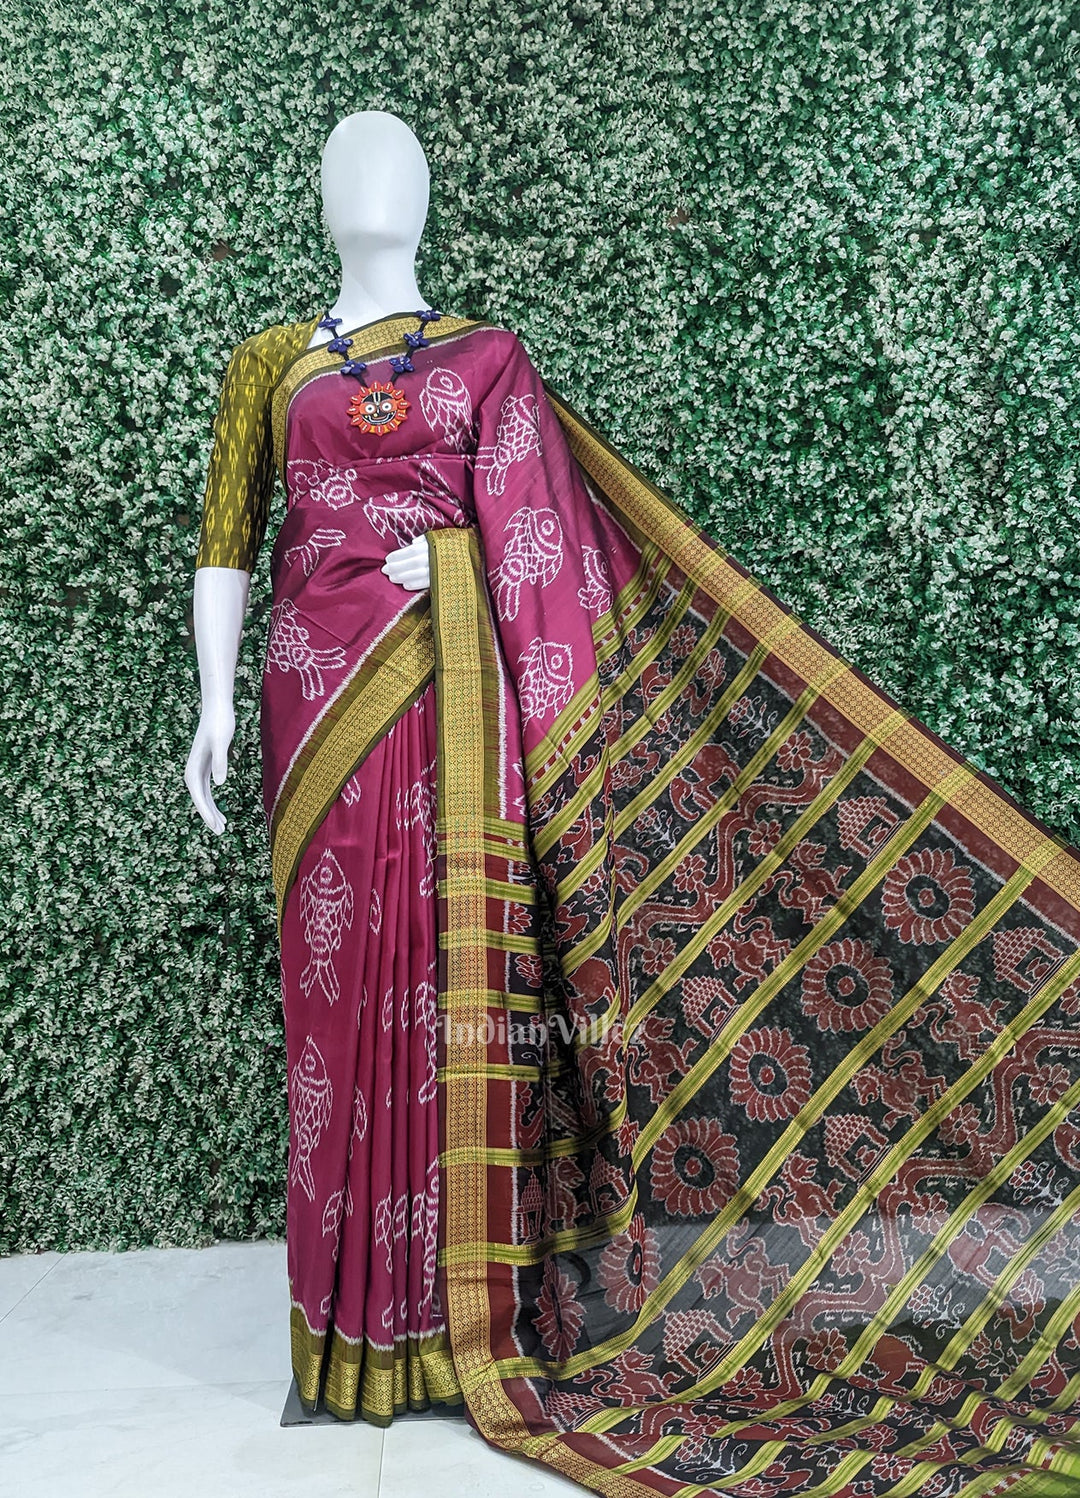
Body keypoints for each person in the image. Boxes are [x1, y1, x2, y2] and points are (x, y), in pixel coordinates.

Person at [186, 112, 1080, 1496]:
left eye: (397, 162)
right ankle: (341, 1336)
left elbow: (541, 540)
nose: (374, 183)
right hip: (319, 709)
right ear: (318, 195)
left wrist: (457, 568)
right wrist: (213, 703)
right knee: (333, 1001)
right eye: (350, 164)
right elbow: (229, 545)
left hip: (451, 707)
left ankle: (447, 1320)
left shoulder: (490, 359)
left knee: (446, 985)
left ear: (425, 194)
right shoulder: (266, 364)